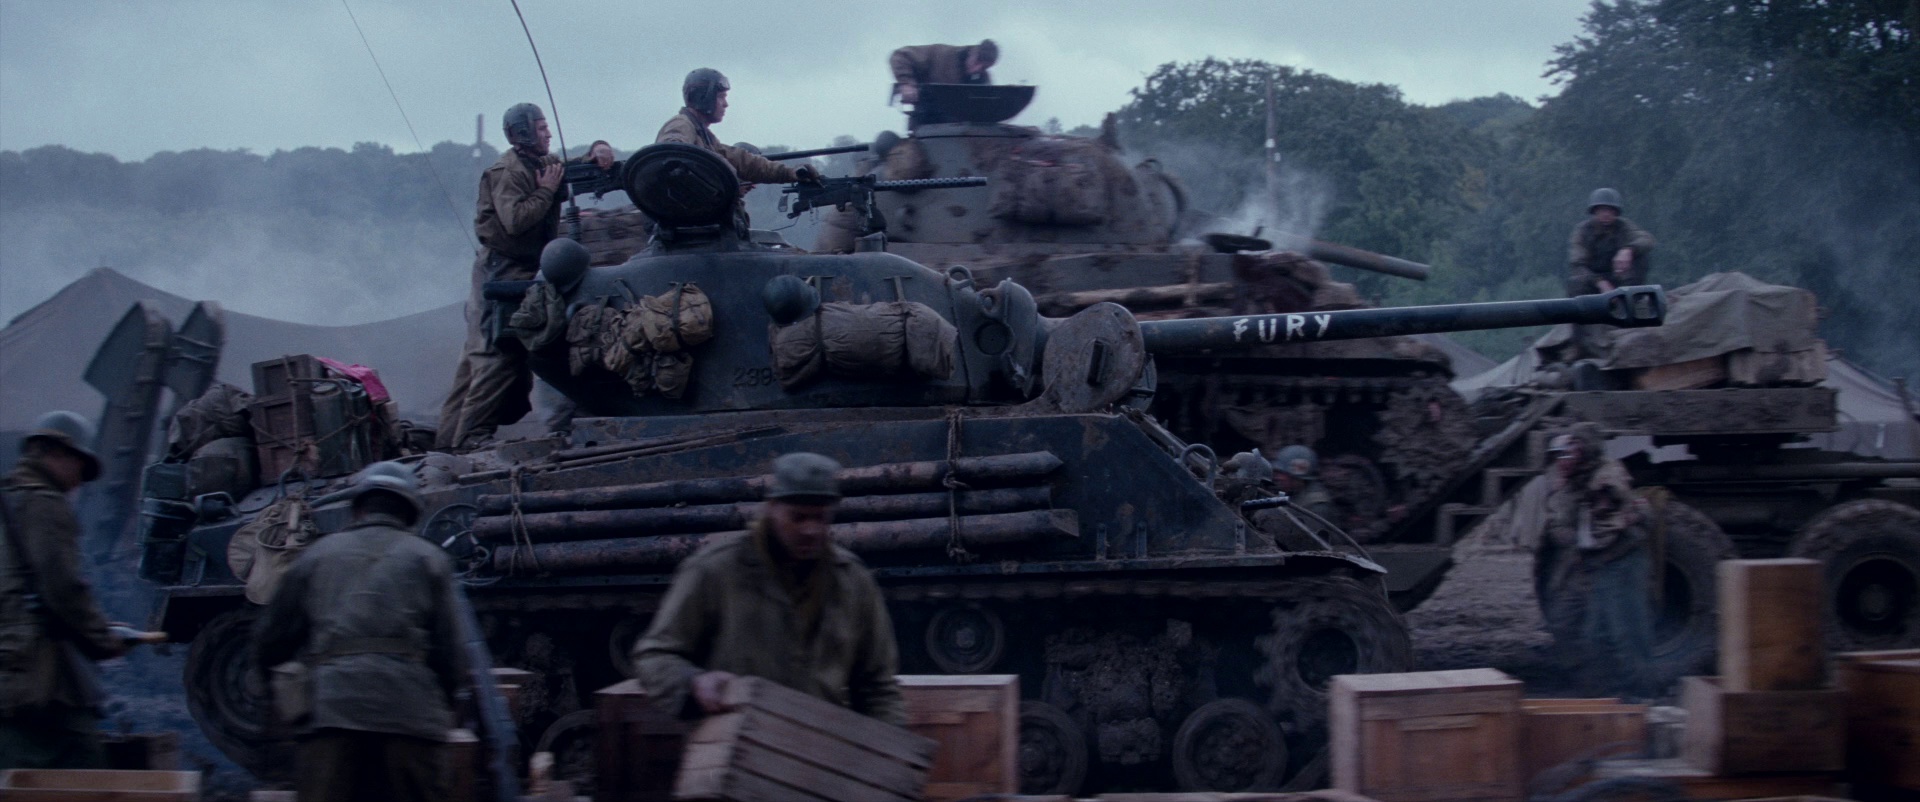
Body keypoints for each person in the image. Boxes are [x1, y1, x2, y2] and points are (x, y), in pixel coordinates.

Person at [633, 452, 905, 726]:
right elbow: (655, 655)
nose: (810, 530)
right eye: (798, 517)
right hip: (735, 741)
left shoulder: (852, 581)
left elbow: (878, 687)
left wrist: (888, 746)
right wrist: (693, 682)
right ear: (772, 508)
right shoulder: (716, 571)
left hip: (821, 745)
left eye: (820, 518)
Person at [255, 462, 470, 802]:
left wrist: (284, 695)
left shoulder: (317, 555)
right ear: (410, 514)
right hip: (410, 717)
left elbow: (271, 640)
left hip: (332, 714)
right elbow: (452, 653)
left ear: (357, 509)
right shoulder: (429, 559)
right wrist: (437, 706)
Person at [0, 412, 165, 769]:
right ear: (57, 453)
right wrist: (102, 639)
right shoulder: (44, 504)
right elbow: (62, 589)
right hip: (38, 672)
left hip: (11, 667)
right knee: (83, 763)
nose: (79, 481)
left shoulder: (9, 501)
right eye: (80, 466)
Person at [435, 102, 568, 450]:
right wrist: (546, 192)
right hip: (501, 271)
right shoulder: (507, 172)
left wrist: (597, 153)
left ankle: (447, 444)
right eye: (541, 128)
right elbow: (515, 220)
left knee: (473, 362)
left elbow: (565, 170)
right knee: (498, 355)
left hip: (513, 269)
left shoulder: (539, 163)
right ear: (523, 133)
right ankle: (470, 438)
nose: (548, 133)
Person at [1537, 424, 1654, 698]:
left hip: (1622, 561)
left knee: (1627, 632)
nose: (1562, 461)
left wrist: (1605, 500)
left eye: (1570, 453)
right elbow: (1562, 529)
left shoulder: (1604, 475)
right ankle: (1601, 691)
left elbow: (1615, 504)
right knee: (1589, 631)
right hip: (1596, 564)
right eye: (1560, 455)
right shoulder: (1571, 484)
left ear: (1585, 452)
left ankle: (1640, 694)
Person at [656, 69, 815, 188]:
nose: (726, 104)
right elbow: (670, 152)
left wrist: (789, 173)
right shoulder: (681, 124)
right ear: (703, 97)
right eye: (721, 97)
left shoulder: (706, 138)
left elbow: (744, 162)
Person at [1566, 188, 1655, 297]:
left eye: (1610, 210)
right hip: (1592, 282)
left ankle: (1631, 299)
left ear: (1616, 212)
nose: (1606, 214)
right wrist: (1599, 282)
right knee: (1575, 282)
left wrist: (1629, 250)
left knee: (1641, 258)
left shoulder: (1623, 226)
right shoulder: (1582, 231)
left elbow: (1647, 239)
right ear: (1595, 211)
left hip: (1620, 279)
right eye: (1602, 210)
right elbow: (1577, 265)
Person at [889, 39, 997, 106]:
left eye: (984, 67)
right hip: (928, 127)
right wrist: (907, 84)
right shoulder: (940, 55)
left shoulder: (984, 82)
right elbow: (900, 56)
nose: (977, 69)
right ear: (972, 52)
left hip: (968, 132)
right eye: (977, 61)